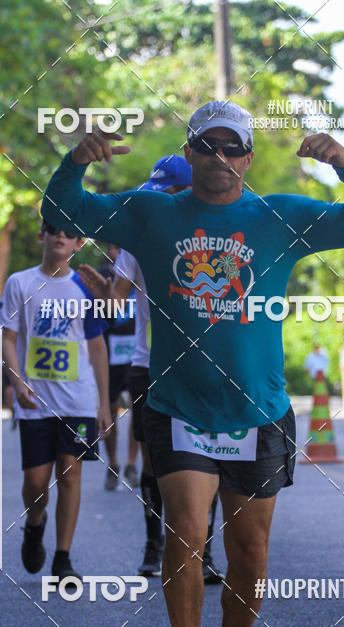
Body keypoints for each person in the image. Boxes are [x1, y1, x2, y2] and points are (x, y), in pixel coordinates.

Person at [42, 100, 344, 627]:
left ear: (248, 159)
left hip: (259, 410)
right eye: (208, 146)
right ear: (191, 152)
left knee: (251, 555)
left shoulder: (279, 215)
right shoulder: (151, 213)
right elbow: (64, 212)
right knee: (187, 535)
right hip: (180, 408)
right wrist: (75, 163)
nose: (221, 159)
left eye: (233, 148)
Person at [79, 154, 224, 583]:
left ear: (188, 192)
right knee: (153, 461)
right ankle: (153, 546)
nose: (158, 205)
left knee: (208, 460)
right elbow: (115, 304)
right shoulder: (138, 243)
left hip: (203, 367)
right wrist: (104, 295)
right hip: (150, 365)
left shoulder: (217, 242)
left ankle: (205, 553)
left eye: (166, 196)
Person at [0, 219, 111, 580]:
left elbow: (96, 345)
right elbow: (8, 338)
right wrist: (16, 383)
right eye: (54, 229)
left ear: (78, 244)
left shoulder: (83, 286)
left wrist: (105, 403)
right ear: (41, 236)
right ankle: (35, 521)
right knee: (35, 482)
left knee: (71, 473)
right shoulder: (21, 283)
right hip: (35, 399)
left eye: (69, 232)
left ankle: (63, 558)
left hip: (78, 398)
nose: (61, 235)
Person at [96, 245, 140, 491]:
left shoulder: (142, 270)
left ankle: (132, 463)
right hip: (110, 353)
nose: (120, 250)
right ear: (111, 250)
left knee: (138, 410)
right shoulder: (104, 275)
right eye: (116, 247)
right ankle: (113, 463)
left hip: (137, 352)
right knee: (109, 411)